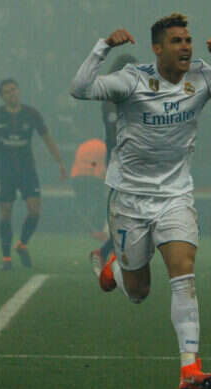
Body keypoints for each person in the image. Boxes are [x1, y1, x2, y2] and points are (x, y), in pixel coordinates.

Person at [70, 13, 211, 389]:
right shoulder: (132, 80)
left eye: (188, 40)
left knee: (183, 275)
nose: (186, 47)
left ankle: (189, 367)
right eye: (177, 41)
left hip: (176, 197)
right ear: (157, 49)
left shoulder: (202, 78)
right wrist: (103, 47)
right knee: (139, 291)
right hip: (129, 200)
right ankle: (115, 268)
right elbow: (79, 89)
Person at [0, 78, 67, 270]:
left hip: (27, 169)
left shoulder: (31, 114)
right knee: (5, 213)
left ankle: (22, 244)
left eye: (14, 89)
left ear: (19, 91)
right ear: (2, 96)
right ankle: (6, 259)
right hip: (5, 171)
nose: (12, 93)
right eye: (7, 91)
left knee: (34, 210)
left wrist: (60, 163)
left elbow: (47, 138)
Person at [89, 54, 138, 274]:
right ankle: (106, 253)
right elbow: (113, 130)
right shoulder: (112, 97)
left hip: (132, 159)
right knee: (126, 210)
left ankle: (111, 254)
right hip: (121, 160)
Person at [70, 138, 107, 235]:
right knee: (101, 203)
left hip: (77, 177)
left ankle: (78, 228)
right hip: (93, 177)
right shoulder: (103, 147)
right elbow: (101, 167)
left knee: (82, 204)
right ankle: (96, 228)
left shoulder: (83, 145)